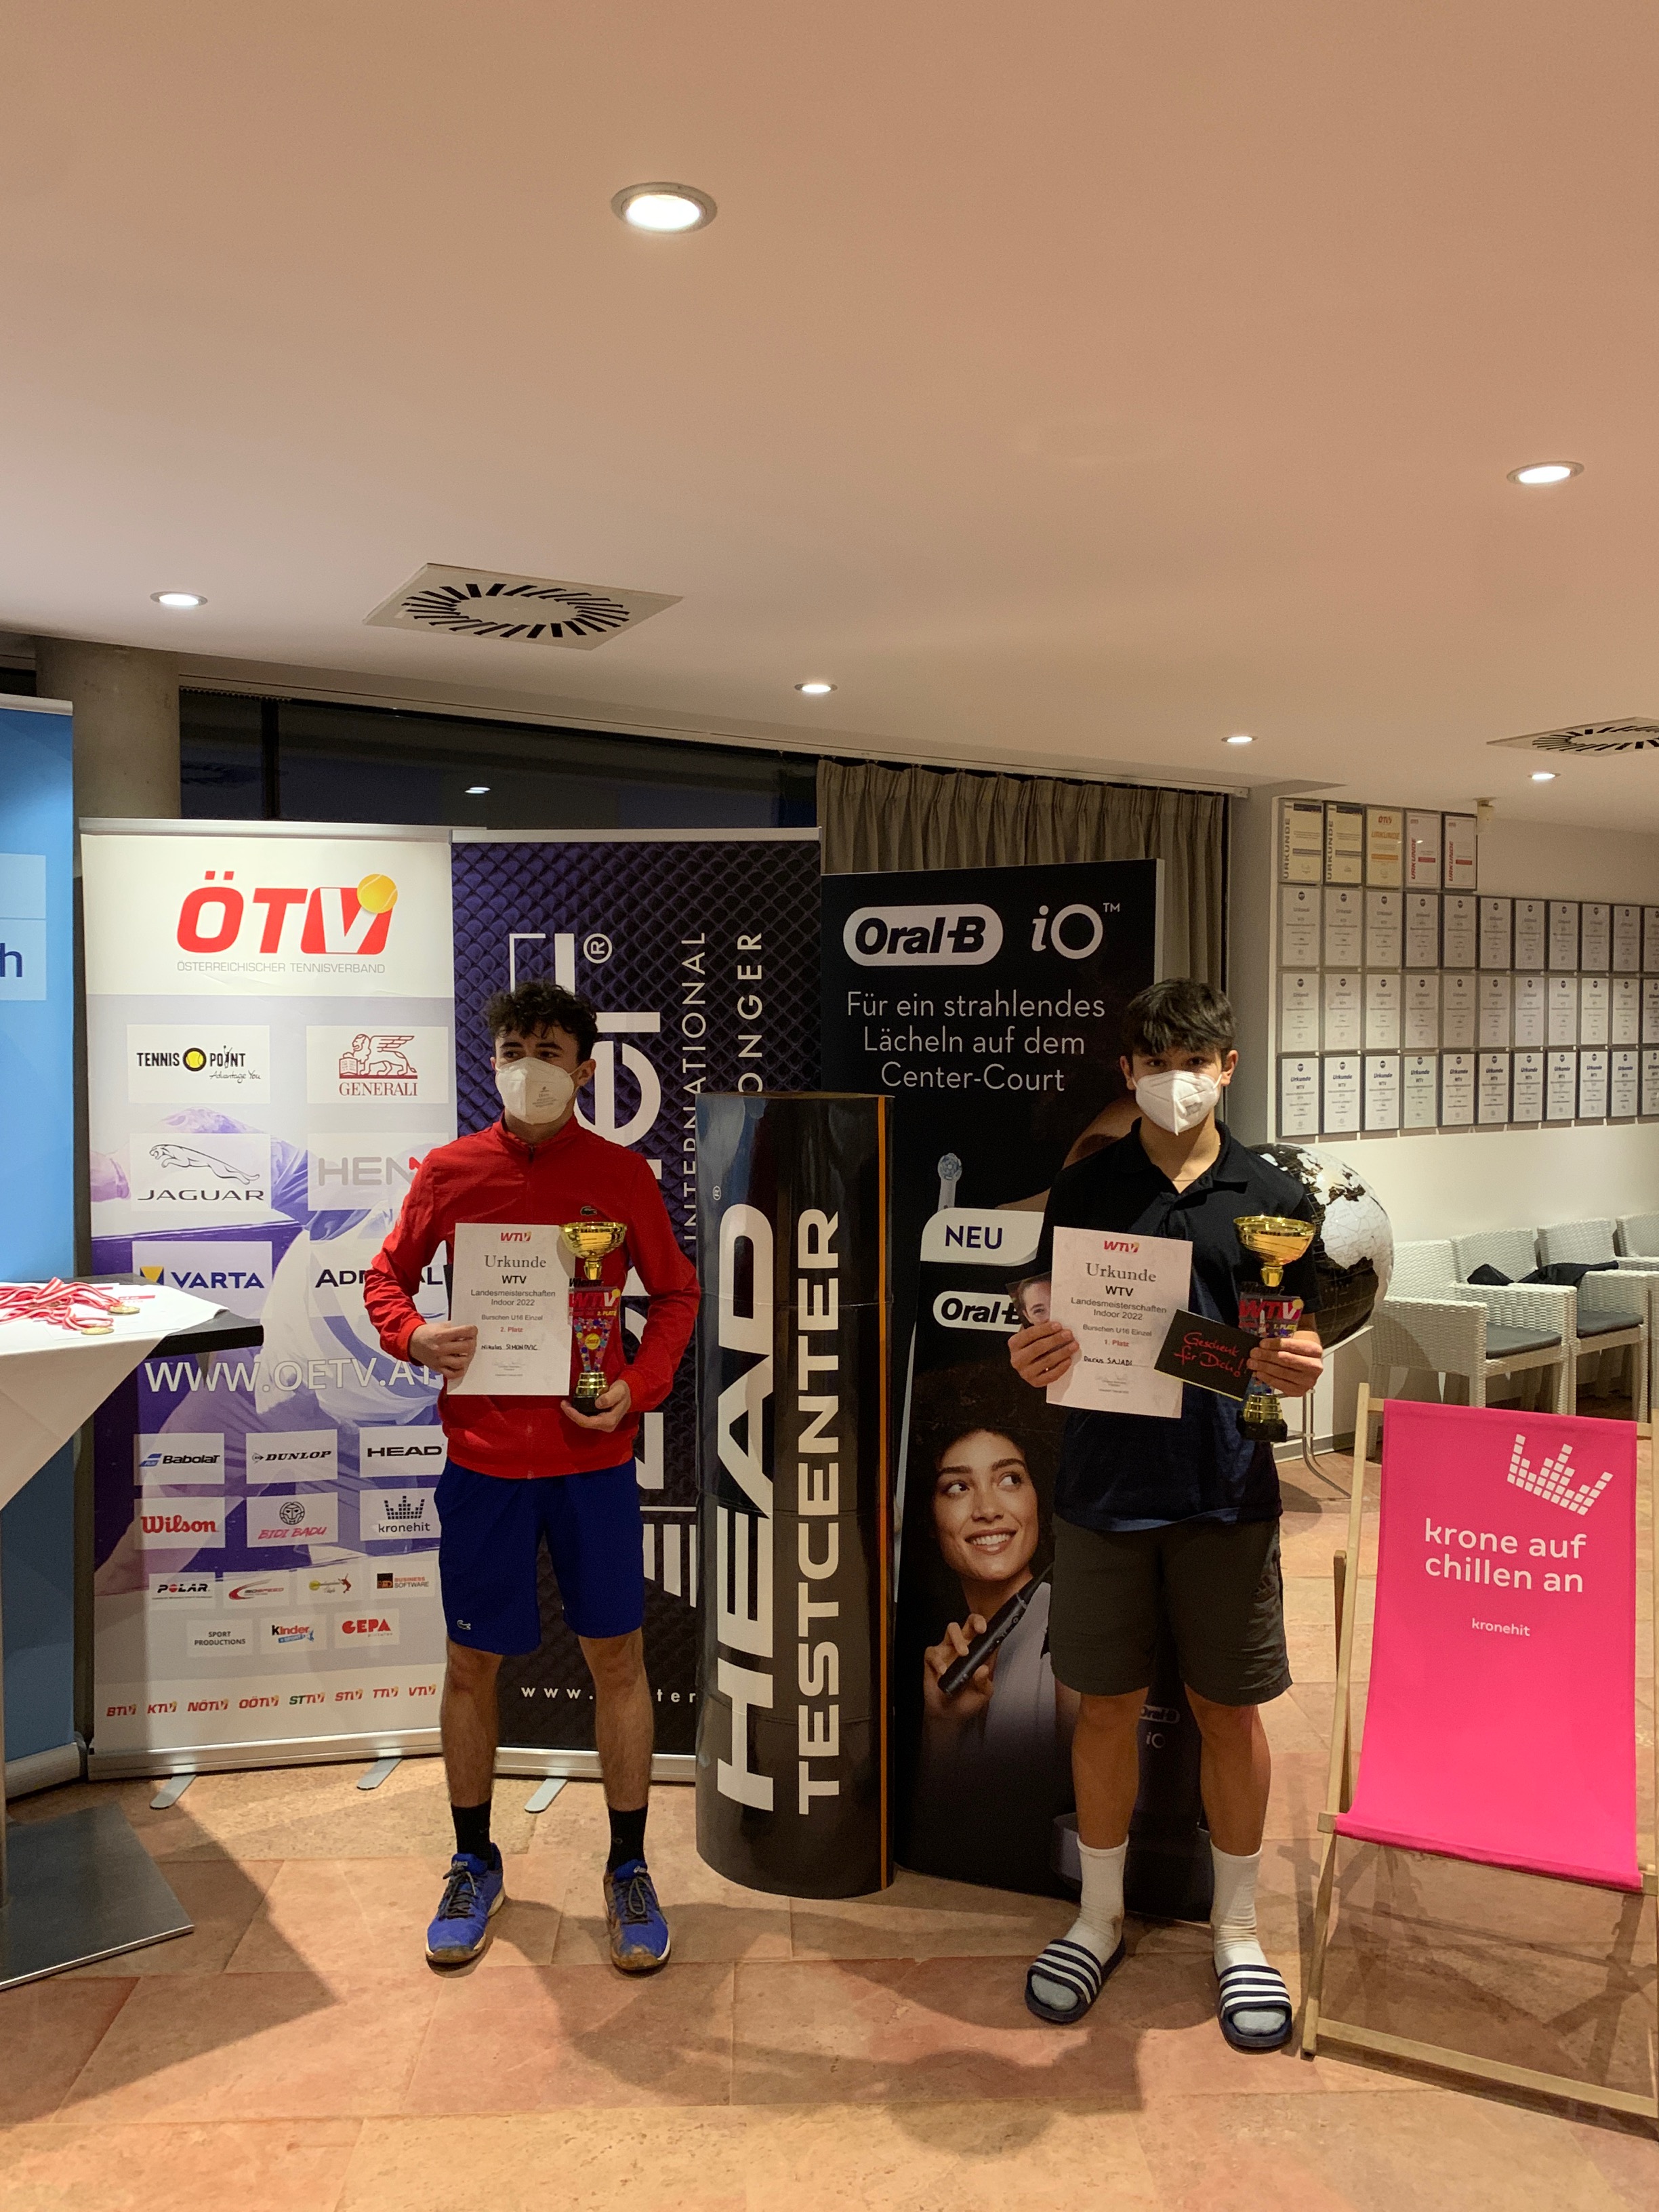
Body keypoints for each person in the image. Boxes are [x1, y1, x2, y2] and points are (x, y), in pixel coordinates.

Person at [1006, 978, 1323, 2052]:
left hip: (1227, 1488)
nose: (1174, 1079)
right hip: (1105, 1488)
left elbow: (1287, 1338)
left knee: (1230, 1712)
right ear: (1127, 1070)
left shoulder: (1273, 1194)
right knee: (1102, 1709)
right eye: (1153, 1061)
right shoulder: (1087, 1185)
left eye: (1194, 1060)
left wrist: (1296, 1362)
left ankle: (1238, 1932)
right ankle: (1096, 1918)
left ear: (1228, 1066)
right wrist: (1031, 1341)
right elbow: (1043, 1301)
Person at [365, 980, 698, 1973]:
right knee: (471, 1664)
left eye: (549, 1052)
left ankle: (629, 1866)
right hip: (483, 1464)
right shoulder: (450, 1171)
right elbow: (385, 1279)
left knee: (618, 1659)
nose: (530, 1068)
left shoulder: (620, 1174)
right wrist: (414, 1335)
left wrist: (636, 1386)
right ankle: (474, 1860)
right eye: (515, 1050)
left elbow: (676, 1293)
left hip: (591, 1462)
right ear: (494, 1062)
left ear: (586, 1069)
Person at [907, 1371, 1077, 1893]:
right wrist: (942, 1727)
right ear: (930, 1518)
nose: (987, 1510)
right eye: (958, 1487)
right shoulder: (948, 1653)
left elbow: (1062, 1840)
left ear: (1038, 1499)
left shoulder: (1070, 1630)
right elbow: (936, 1843)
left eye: (1009, 1480)